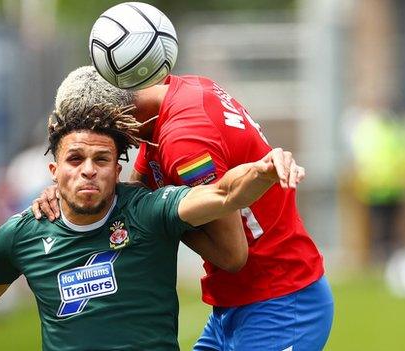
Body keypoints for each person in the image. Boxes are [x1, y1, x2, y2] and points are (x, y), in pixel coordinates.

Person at [0, 102, 304, 351]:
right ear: (53, 170)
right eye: (75, 160)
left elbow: (224, 194)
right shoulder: (24, 233)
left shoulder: (148, 212)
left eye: (102, 161)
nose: (88, 172)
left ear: (117, 172)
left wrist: (264, 169)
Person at [35, 66, 334, 351]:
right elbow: (137, 194)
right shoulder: (184, 92)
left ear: (116, 117)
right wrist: (69, 192)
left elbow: (231, 255)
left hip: (279, 301)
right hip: (241, 302)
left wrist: (165, 219)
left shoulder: (183, 140)